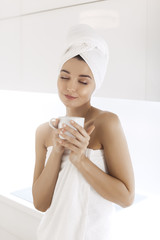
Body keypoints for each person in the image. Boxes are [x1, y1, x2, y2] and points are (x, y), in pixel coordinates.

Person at [32, 24, 135, 240]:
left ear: (95, 84)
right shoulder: (44, 132)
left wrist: (81, 160)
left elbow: (126, 198)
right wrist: (58, 150)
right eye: (64, 76)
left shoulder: (107, 123)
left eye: (83, 81)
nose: (71, 87)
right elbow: (41, 203)